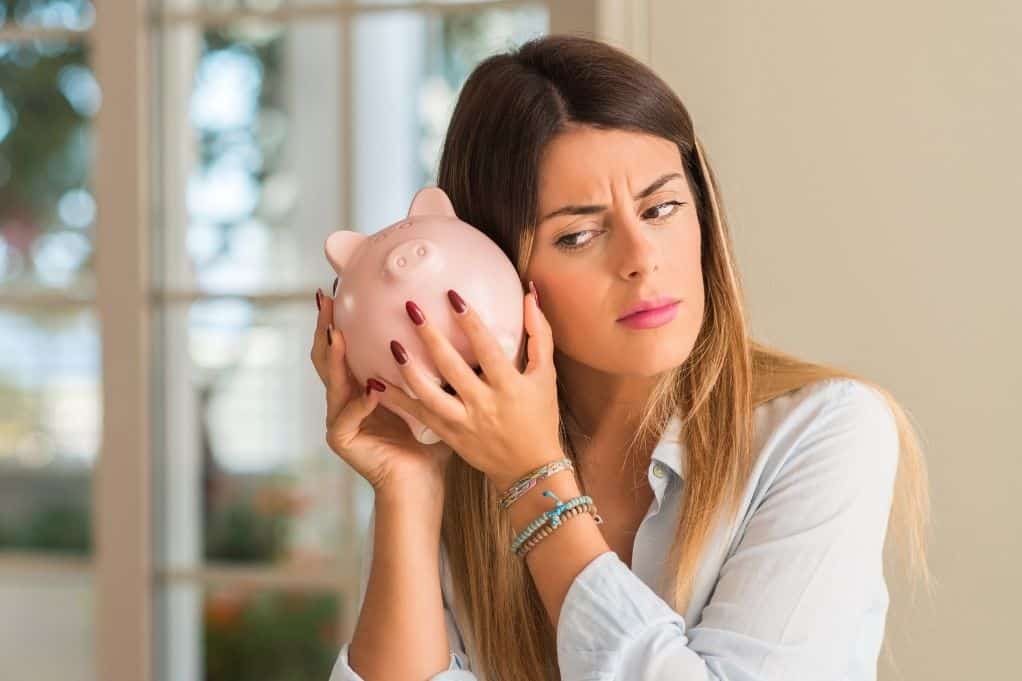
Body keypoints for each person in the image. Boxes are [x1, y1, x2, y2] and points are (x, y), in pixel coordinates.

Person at [309, 34, 932, 681]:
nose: (641, 257)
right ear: (493, 263)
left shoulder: (825, 430)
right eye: (579, 234)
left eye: (661, 207)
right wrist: (410, 489)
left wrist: (534, 480)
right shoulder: (464, 463)